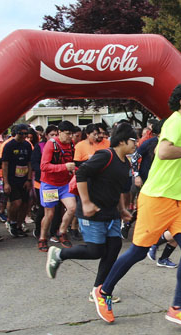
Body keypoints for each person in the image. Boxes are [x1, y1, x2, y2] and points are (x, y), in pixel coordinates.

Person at [92, 83, 181, 327]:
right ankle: (103, 292)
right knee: (137, 252)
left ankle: (177, 307)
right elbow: (164, 152)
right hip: (156, 198)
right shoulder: (176, 122)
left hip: (178, 202)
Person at [45, 122, 137, 304]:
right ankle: (59, 254)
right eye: (133, 140)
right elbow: (81, 174)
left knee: (113, 249)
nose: (136, 144)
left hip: (111, 213)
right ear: (122, 141)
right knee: (96, 251)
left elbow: (118, 189)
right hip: (92, 211)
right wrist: (86, 203)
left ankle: (98, 290)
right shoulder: (105, 156)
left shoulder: (125, 163)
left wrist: (122, 210)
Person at [38, 121, 77, 252]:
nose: (70, 137)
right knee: (49, 214)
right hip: (50, 185)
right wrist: (64, 167)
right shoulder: (51, 145)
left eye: (72, 134)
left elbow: (71, 162)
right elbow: (43, 166)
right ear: (59, 132)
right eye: (68, 134)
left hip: (65, 184)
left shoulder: (71, 144)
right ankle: (42, 238)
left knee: (72, 208)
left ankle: (62, 232)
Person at [1, 124, 33, 237]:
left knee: (25, 204)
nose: (23, 136)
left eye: (26, 134)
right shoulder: (9, 145)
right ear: (15, 133)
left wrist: (29, 179)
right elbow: (4, 164)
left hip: (24, 179)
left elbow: (30, 163)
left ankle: (19, 225)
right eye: (21, 133)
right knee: (16, 202)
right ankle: (12, 222)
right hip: (12, 179)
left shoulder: (27, 146)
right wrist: (6, 182)